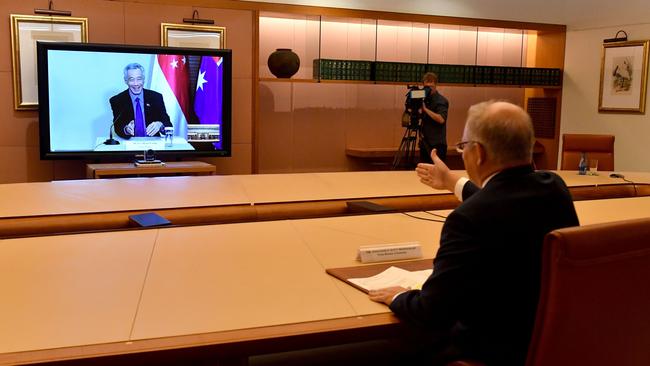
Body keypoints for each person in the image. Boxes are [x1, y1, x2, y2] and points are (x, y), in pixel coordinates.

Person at [369, 101, 579, 365]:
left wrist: (399, 296)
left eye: (463, 146)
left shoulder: (467, 219)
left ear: (478, 153)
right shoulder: (555, 189)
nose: (463, 152)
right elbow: (505, 201)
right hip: (548, 346)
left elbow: (432, 312)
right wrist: (452, 182)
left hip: (488, 352)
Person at [109, 63, 172, 139]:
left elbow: (168, 125)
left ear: (143, 79)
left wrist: (160, 125)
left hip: (153, 145)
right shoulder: (117, 100)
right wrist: (126, 130)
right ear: (126, 81)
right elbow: (118, 127)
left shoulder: (156, 97)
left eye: (139, 79)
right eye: (131, 79)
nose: (136, 84)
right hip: (130, 145)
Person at [419, 72, 449, 163]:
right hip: (424, 142)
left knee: (438, 172)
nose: (428, 89)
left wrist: (425, 110)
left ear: (436, 85)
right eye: (426, 87)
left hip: (437, 144)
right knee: (425, 171)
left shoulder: (441, 100)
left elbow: (441, 119)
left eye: (431, 87)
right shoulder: (423, 98)